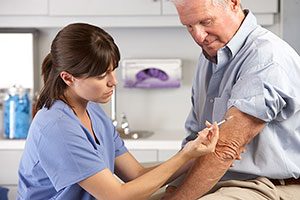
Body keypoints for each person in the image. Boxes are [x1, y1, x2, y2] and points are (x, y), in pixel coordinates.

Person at [17, 23, 220, 200]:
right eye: (101, 75)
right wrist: (184, 156)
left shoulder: (93, 112)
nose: (113, 81)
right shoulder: (57, 126)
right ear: (68, 78)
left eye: (113, 70)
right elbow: (118, 195)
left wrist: (194, 155)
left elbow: (136, 175)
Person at [159, 0, 300, 199]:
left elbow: (226, 148)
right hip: (222, 182)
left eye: (206, 21)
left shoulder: (265, 57)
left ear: (233, 3)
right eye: (189, 26)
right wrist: (176, 185)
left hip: (269, 186)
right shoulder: (210, 57)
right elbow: (195, 143)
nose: (199, 36)